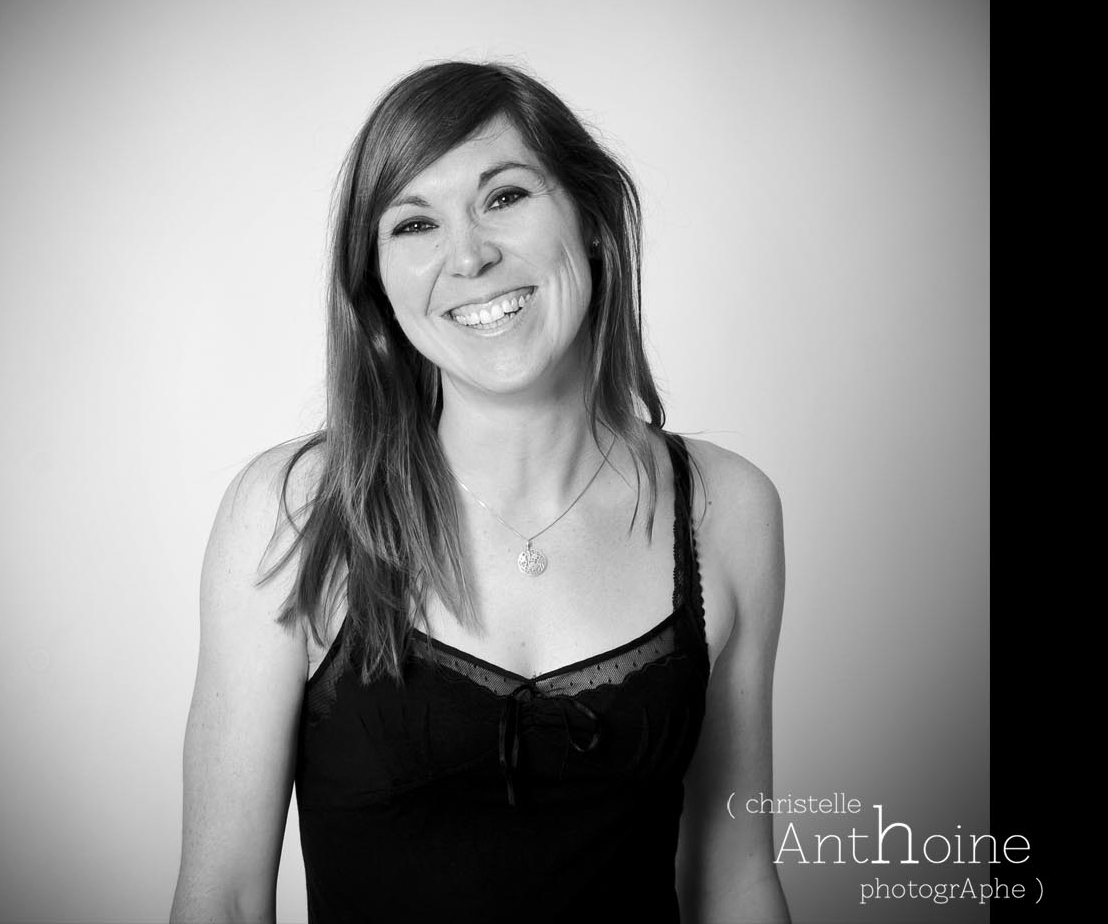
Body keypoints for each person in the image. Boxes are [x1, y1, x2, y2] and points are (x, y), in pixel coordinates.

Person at [171, 61, 789, 923]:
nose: (469, 256)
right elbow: (226, 900)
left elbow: (736, 879)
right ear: (378, 284)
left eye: (505, 197)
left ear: (592, 221)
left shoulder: (728, 508)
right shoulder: (294, 514)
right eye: (415, 223)